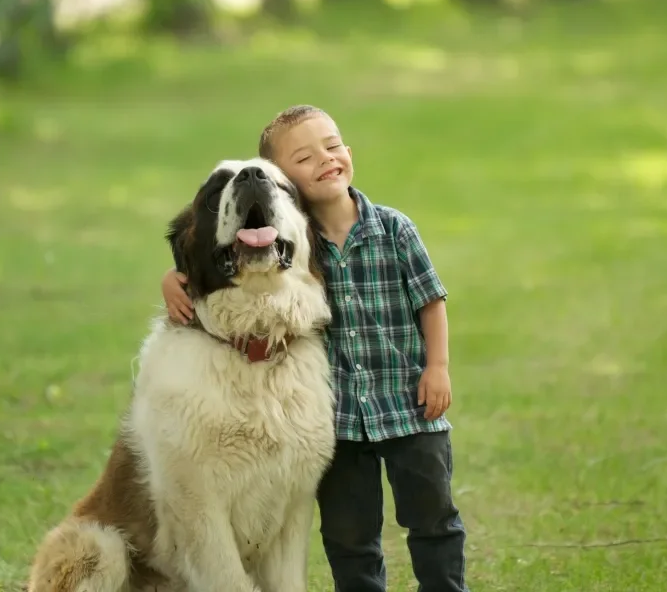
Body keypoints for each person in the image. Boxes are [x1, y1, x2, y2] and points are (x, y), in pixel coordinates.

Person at [160, 105, 469, 592]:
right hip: (345, 419)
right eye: (304, 158)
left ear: (349, 152)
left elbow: (432, 299)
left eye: (332, 146)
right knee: (349, 535)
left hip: (409, 404)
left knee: (433, 517)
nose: (325, 160)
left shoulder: (393, 228)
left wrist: (439, 366)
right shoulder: (299, 240)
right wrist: (173, 278)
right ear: (290, 185)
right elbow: (212, 255)